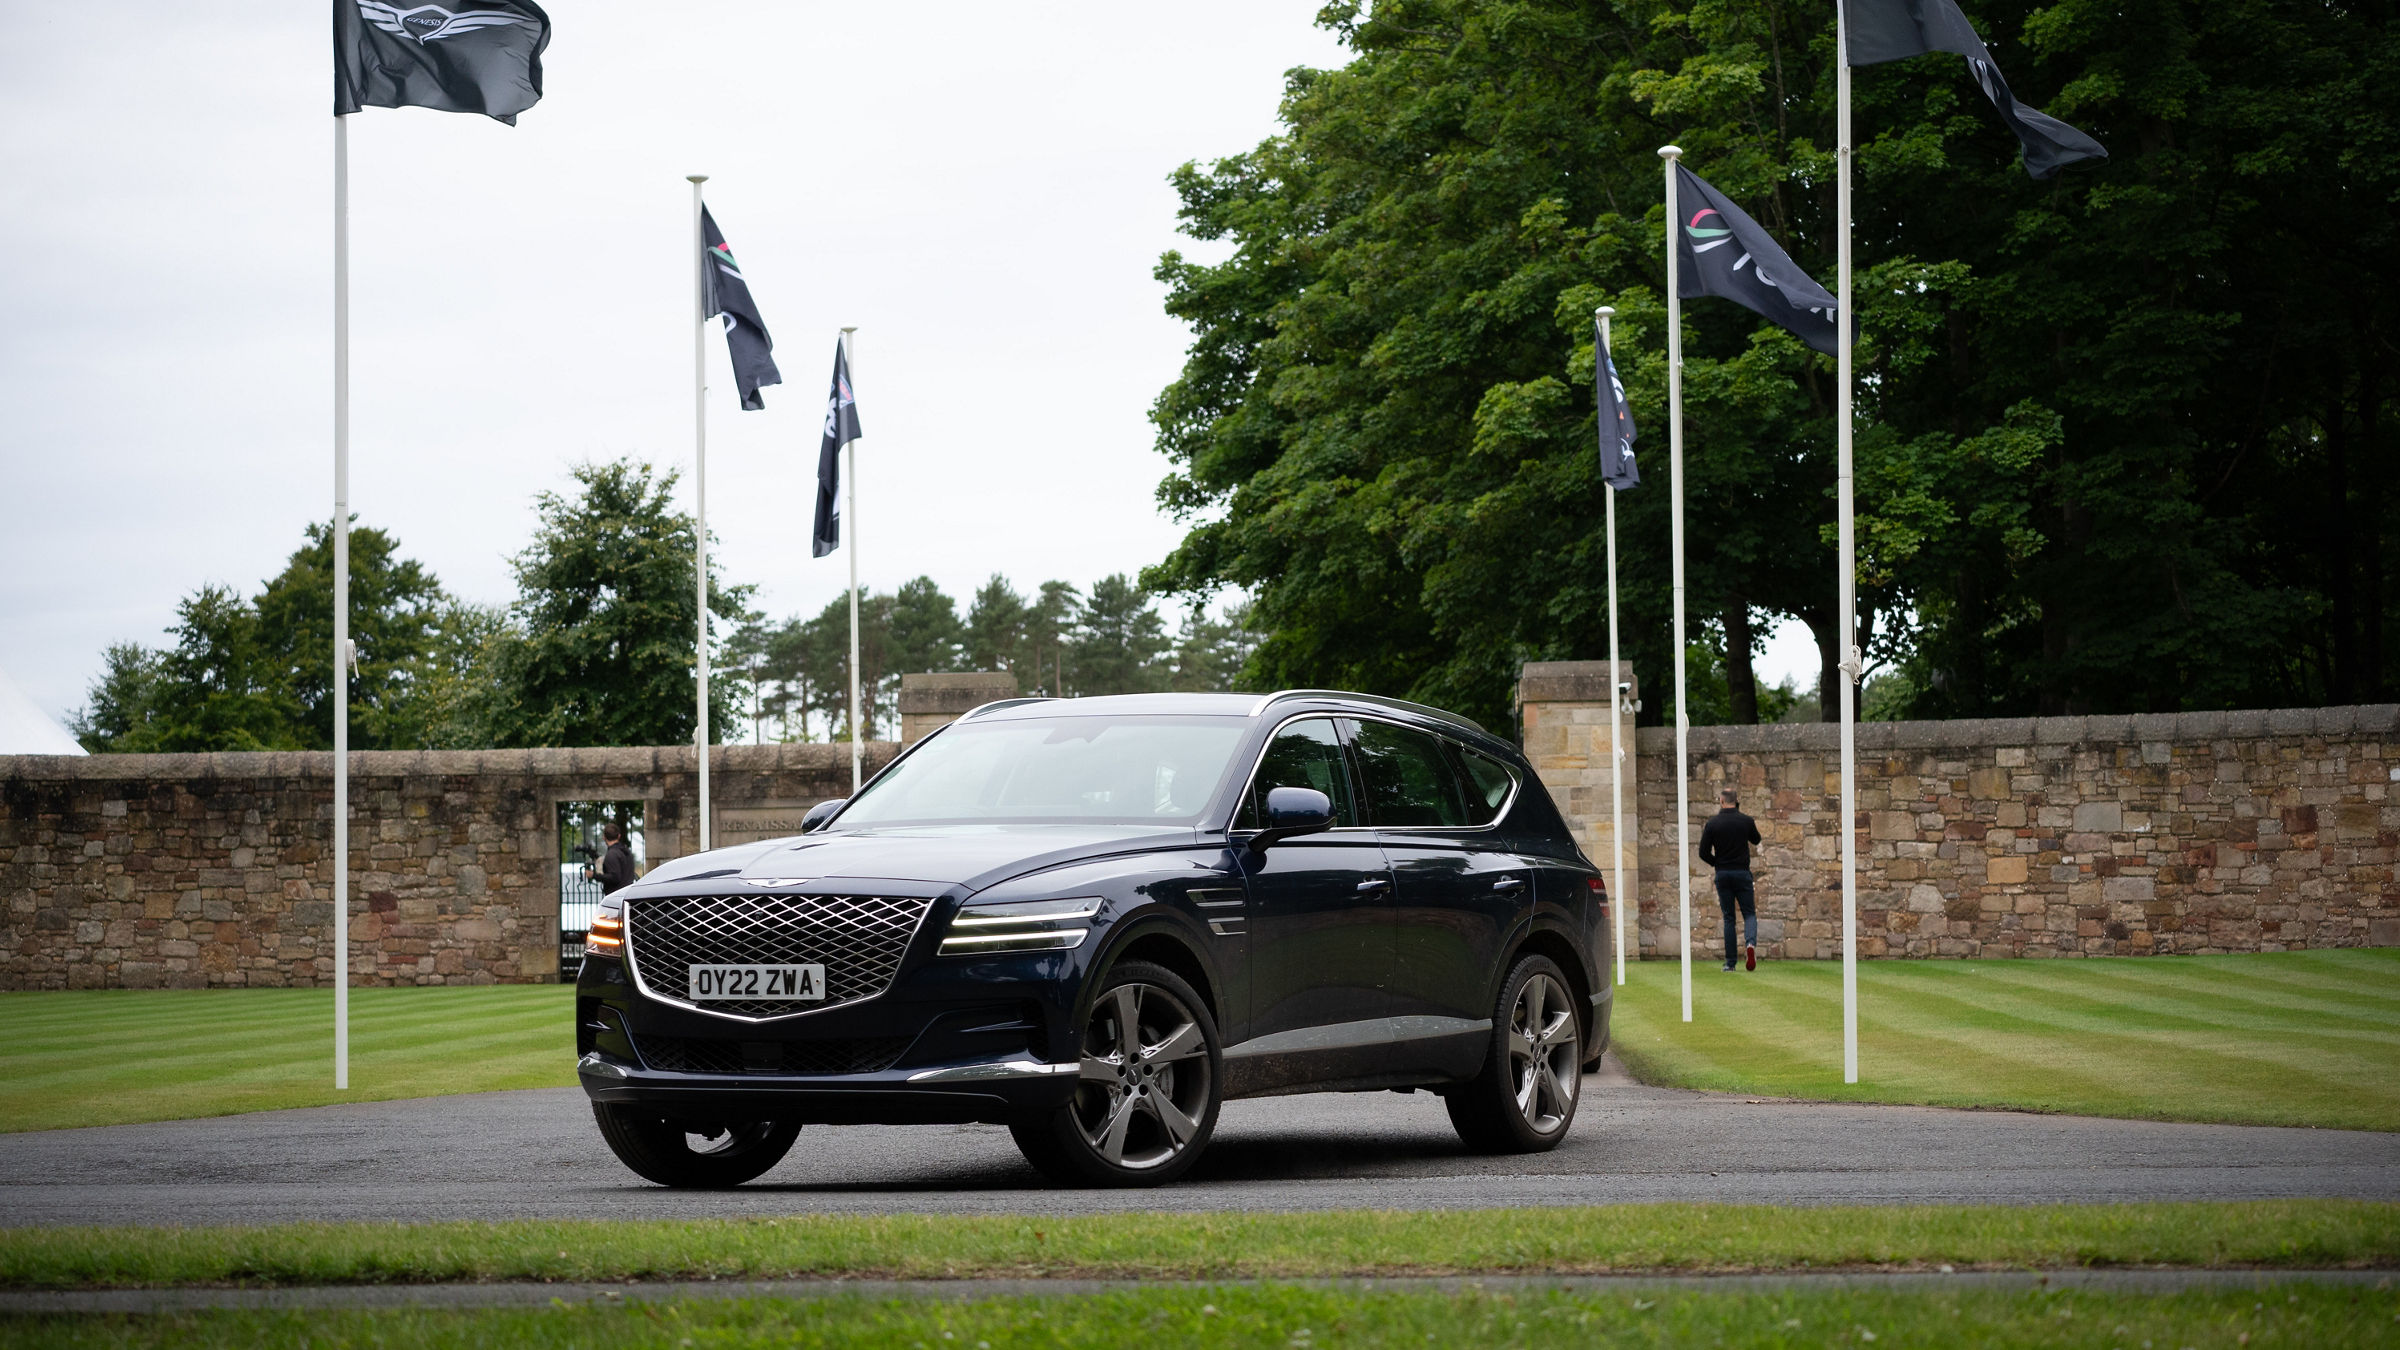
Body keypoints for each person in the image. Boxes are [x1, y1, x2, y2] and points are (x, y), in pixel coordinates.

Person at [1697, 787, 1761, 972]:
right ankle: (1750, 944)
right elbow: (1756, 840)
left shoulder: (1713, 823)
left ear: (1721, 801)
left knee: (1729, 918)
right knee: (1749, 913)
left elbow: (1703, 852)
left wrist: (1717, 862)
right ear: (1736, 800)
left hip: (1723, 873)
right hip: (1742, 872)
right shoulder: (1745, 821)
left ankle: (1731, 962)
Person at [586, 820, 637, 895]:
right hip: (628, 894)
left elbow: (614, 877)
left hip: (616, 897)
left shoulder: (612, 854)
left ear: (604, 837)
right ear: (619, 836)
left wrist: (594, 875)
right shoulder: (627, 852)